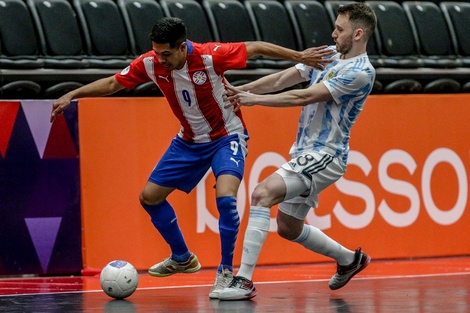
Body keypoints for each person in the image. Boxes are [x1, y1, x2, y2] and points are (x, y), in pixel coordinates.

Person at [50, 17, 333, 299]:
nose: (160, 59)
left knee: (225, 198)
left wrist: (299, 56)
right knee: (149, 197)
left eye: (166, 53)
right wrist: (72, 94)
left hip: (227, 137)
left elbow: (255, 47)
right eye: (156, 51)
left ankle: (225, 271)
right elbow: (114, 83)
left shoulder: (210, 56)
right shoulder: (150, 63)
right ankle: (182, 257)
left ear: (182, 47)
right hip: (188, 141)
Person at [217, 2, 377, 300]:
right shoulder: (329, 55)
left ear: (357, 34)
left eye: (340, 30)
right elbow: (283, 79)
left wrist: (253, 99)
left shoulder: (361, 72)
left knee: (262, 193)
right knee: (288, 227)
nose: (333, 33)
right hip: (305, 152)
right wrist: (239, 92)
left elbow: (304, 95)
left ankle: (243, 280)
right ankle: (349, 259)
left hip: (326, 155)